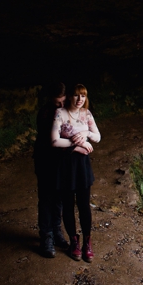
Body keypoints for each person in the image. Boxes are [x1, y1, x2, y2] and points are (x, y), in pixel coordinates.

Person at [51, 84, 100, 262]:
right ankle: (74, 241)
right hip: (66, 164)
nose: (80, 100)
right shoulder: (60, 114)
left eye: (83, 96)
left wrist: (86, 133)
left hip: (82, 165)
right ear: (70, 96)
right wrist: (76, 143)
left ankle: (87, 241)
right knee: (68, 205)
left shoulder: (86, 114)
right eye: (77, 96)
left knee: (84, 205)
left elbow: (98, 136)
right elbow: (55, 141)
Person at [34, 83, 69, 258]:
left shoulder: (67, 111)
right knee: (47, 199)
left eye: (63, 102)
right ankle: (46, 237)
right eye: (58, 103)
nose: (61, 106)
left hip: (61, 163)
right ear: (51, 101)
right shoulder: (45, 114)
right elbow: (48, 141)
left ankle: (56, 231)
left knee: (59, 198)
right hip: (46, 161)